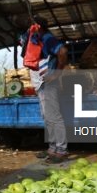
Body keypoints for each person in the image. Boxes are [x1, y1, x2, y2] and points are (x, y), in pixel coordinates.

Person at [26, 17, 69, 163]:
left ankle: (61, 150)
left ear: (38, 27)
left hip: (49, 83)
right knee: (47, 117)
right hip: (41, 85)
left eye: (32, 26)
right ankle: (52, 148)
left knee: (54, 117)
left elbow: (62, 52)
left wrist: (56, 73)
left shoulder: (47, 38)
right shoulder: (37, 40)